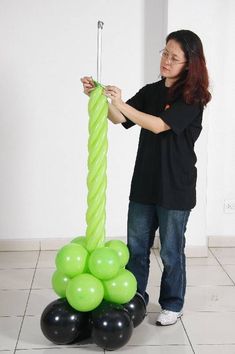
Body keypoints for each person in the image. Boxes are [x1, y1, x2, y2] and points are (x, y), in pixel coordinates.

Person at [81, 29, 211, 326]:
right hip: (144, 184)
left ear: (189, 64)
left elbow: (158, 125)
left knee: (170, 250)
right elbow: (120, 118)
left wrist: (123, 103)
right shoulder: (153, 91)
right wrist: (99, 96)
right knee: (136, 247)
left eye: (174, 57)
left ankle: (172, 304)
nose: (166, 60)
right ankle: (136, 297)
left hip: (175, 188)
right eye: (165, 53)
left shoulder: (193, 99)